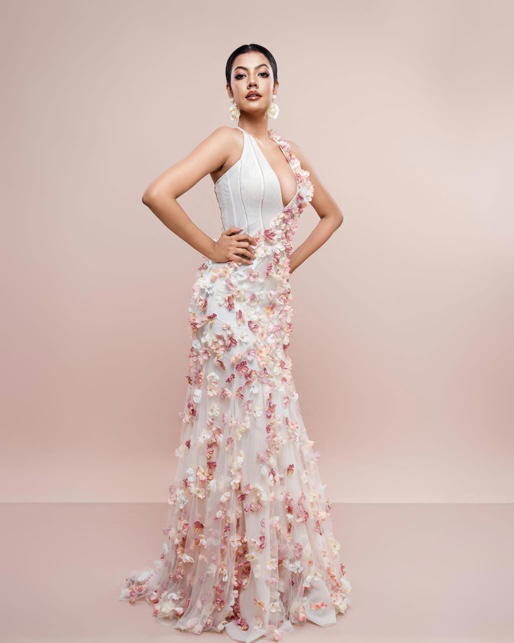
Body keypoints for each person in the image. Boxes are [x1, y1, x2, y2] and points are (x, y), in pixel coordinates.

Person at [119, 43, 352, 642]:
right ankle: (227, 578)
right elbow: (157, 192)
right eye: (241, 75)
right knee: (244, 421)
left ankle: (261, 569)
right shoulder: (227, 142)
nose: (253, 82)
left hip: (270, 305)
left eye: (262, 73)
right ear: (230, 91)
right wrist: (213, 248)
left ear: (276, 86)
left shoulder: (291, 154)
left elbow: (331, 215)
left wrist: (283, 266)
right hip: (227, 304)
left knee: (268, 425)